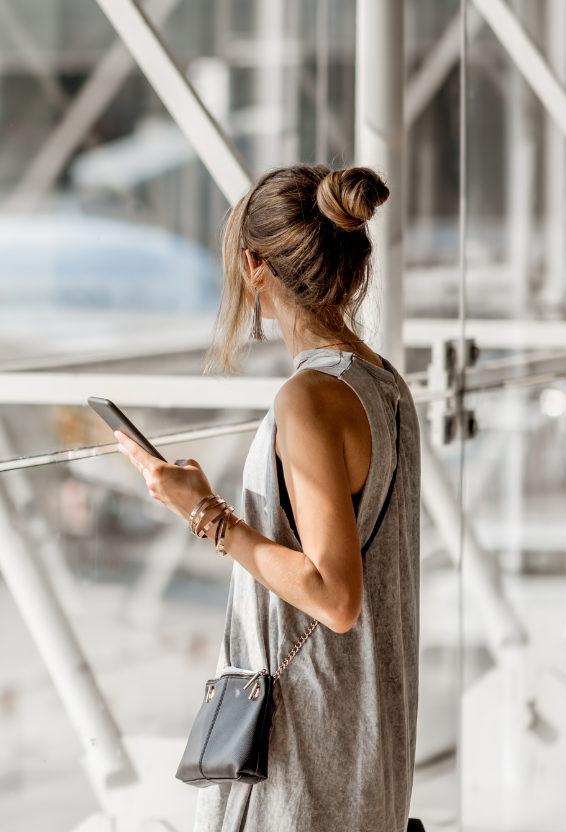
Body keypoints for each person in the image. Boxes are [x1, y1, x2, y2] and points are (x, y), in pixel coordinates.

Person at [115, 165, 421, 831]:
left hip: (305, 760)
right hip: (366, 745)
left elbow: (334, 597)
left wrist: (205, 515)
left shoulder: (308, 398)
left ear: (256, 267)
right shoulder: (386, 386)